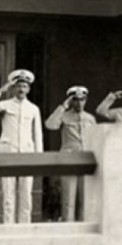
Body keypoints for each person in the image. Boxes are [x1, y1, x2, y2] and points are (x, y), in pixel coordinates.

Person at [0, 69, 43, 224]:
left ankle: (24, 229)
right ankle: (8, 228)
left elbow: (37, 134)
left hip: (27, 154)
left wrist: (39, 157)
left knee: (26, 195)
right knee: (8, 195)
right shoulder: (5, 105)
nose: (21, 89)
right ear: (13, 88)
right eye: (18, 86)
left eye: (24, 86)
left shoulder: (33, 109)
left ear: (28, 89)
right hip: (7, 152)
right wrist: (1, 90)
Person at [44, 85, 96, 222]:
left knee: (85, 198)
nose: (79, 103)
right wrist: (62, 107)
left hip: (86, 159)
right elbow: (50, 125)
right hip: (70, 160)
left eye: (82, 100)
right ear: (71, 101)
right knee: (68, 198)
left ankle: (84, 229)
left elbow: (95, 139)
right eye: (76, 100)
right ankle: (68, 228)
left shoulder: (90, 118)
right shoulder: (64, 116)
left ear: (86, 100)